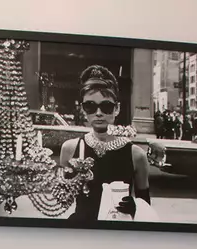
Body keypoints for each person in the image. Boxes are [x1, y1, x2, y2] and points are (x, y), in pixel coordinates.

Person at [59, 65, 151, 223]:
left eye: (106, 106)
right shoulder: (70, 149)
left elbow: (146, 206)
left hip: (118, 231)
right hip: (81, 229)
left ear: (117, 109)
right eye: (90, 106)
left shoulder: (136, 155)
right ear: (83, 109)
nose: (98, 113)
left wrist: (135, 206)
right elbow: (63, 199)